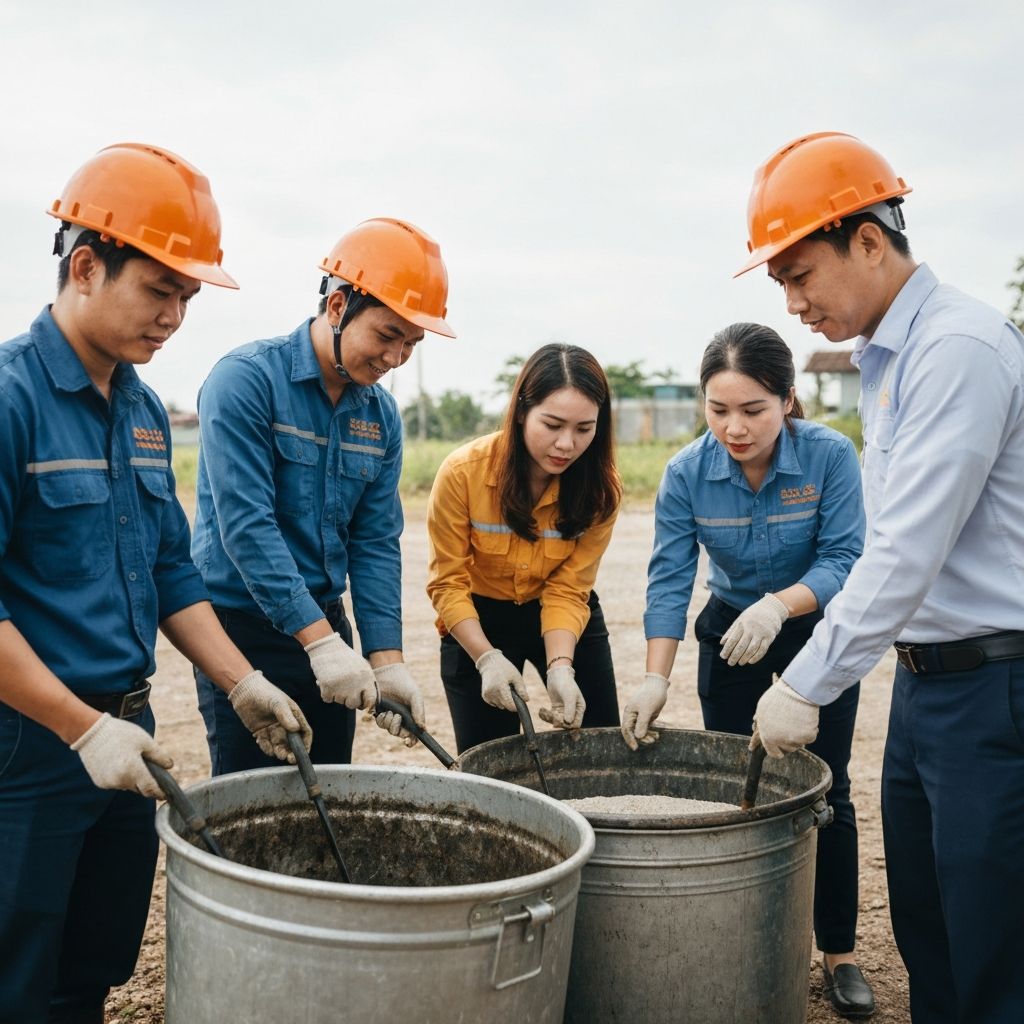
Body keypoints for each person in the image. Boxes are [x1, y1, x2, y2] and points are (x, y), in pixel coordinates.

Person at [0, 144, 309, 1024]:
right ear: (87, 267)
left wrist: (240, 680)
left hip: (123, 726)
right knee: (18, 962)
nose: (175, 316)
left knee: (95, 954)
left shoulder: (139, 409)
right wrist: (79, 727)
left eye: (188, 298)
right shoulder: (10, 400)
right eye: (158, 291)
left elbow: (171, 565)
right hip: (29, 739)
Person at [736, 131, 1024, 1024]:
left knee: (993, 940)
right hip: (927, 684)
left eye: (799, 276)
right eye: (779, 284)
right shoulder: (886, 363)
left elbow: (905, 549)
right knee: (928, 923)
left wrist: (804, 681)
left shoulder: (959, 349)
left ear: (868, 239)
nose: (792, 305)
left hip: (995, 684)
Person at [621, 322, 872, 1016]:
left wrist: (779, 606)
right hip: (730, 630)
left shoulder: (828, 456)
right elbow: (670, 578)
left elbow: (846, 558)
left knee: (829, 788)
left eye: (753, 409)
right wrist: (654, 677)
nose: (734, 427)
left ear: (788, 400)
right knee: (741, 786)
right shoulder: (684, 473)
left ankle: (840, 951)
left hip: (814, 632)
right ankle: (750, 935)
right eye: (718, 409)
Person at [191, 218, 455, 773]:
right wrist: (318, 644)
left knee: (330, 795)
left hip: (330, 628)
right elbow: (247, 524)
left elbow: (376, 541)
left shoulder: (380, 416)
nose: (396, 359)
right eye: (386, 335)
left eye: (412, 343)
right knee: (251, 805)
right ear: (337, 306)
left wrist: (386, 662)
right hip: (243, 629)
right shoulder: (245, 381)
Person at [426, 343, 622, 753]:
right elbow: (448, 583)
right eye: (552, 425)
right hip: (478, 619)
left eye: (584, 429)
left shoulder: (602, 491)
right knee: (490, 760)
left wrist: (561, 667)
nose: (567, 444)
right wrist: (486, 659)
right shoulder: (462, 473)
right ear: (520, 411)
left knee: (599, 744)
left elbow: (569, 588)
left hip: (560, 616)